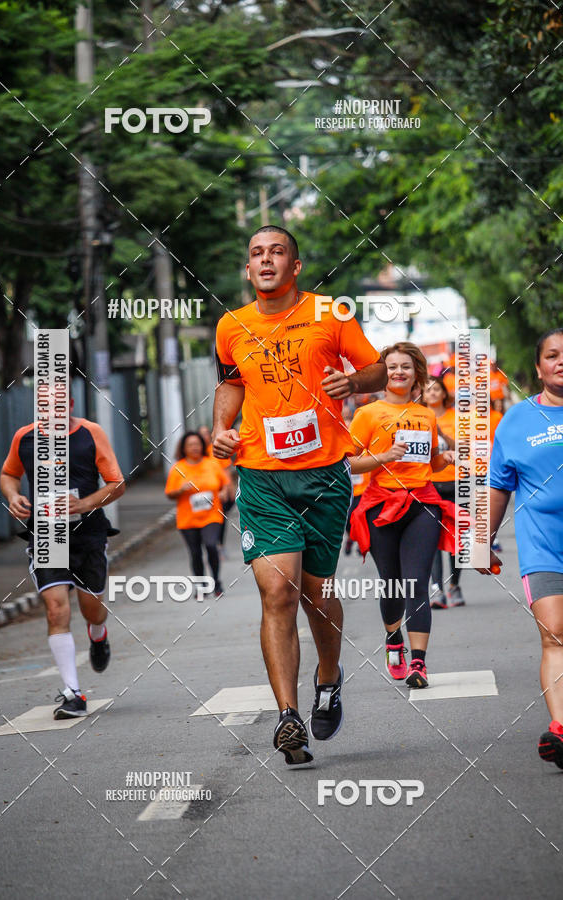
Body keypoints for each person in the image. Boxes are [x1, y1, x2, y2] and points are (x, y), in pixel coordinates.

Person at [213, 225, 386, 764]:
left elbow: (376, 366)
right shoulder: (231, 325)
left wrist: (354, 385)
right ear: (248, 269)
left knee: (316, 593)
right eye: (257, 254)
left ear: (296, 265)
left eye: (276, 252)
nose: (266, 260)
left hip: (324, 475)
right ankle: (289, 718)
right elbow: (231, 382)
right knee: (278, 592)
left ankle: (328, 678)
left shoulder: (330, 314)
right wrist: (222, 428)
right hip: (261, 476)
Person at [0, 386, 125, 719]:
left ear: (69, 404)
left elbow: (117, 483)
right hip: (47, 534)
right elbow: (8, 474)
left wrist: (83, 504)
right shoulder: (24, 438)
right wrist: (12, 496)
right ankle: (73, 694)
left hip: (88, 533)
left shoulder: (90, 433)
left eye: (57, 404)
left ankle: (98, 637)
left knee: (92, 609)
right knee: (56, 610)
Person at [479, 328, 563, 768]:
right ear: (538, 367)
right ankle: (562, 730)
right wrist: (482, 541)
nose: (561, 362)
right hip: (544, 546)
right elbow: (498, 485)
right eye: (552, 355)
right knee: (555, 633)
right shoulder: (516, 421)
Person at [348, 342, 455, 688]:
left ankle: (419, 663)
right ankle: (394, 641)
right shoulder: (368, 414)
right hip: (381, 504)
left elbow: (430, 461)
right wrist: (385, 456)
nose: (398, 372)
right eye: (391, 366)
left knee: (416, 582)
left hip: (422, 502)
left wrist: (445, 459)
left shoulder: (426, 415)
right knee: (393, 583)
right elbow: (346, 461)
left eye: (405, 367)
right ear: (383, 373)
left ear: (416, 374)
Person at [166, 431, 232, 597]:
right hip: (188, 519)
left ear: (202, 445)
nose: (194, 447)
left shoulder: (211, 464)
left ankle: (216, 582)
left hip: (212, 515)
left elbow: (225, 482)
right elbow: (169, 494)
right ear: (183, 448)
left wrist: (224, 492)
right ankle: (201, 585)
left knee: (211, 545)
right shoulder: (178, 468)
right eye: (190, 445)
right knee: (195, 552)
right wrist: (180, 490)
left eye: (197, 444)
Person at [422, 375, 464, 608]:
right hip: (429, 485)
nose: (433, 393)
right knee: (433, 539)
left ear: (444, 393)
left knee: (457, 539)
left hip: (456, 483)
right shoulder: (417, 418)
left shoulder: (457, 418)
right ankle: (436, 589)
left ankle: (454, 586)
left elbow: (464, 450)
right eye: (428, 390)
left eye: (437, 389)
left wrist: (440, 433)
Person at [198, 424, 235, 550]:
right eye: (201, 434)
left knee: (220, 517)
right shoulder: (196, 453)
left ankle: (219, 544)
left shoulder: (216, 449)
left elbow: (226, 471)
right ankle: (208, 544)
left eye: (206, 433)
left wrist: (229, 490)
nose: (204, 436)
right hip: (200, 493)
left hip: (219, 491)